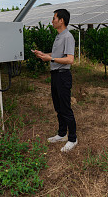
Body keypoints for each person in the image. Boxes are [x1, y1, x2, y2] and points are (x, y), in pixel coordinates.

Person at [32, 9, 77, 152]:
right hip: (55, 75)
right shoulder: (59, 36)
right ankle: (62, 134)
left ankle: (73, 138)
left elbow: (70, 59)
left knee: (65, 107)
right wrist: (44, 55)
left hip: (63, 75)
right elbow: (57, 55)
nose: (52, 21)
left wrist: (50, 58)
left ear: (61, 20)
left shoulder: (68, 37)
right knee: (58, 107)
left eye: (54, 18)